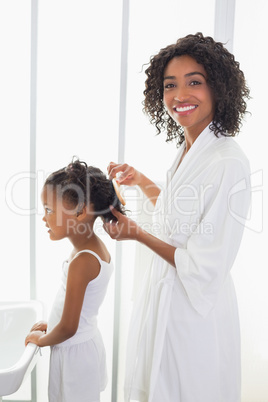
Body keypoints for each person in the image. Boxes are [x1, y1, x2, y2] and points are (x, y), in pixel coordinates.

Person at [104, 33, 251, 402]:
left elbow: (203, 264)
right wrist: (141, 181)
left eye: (194, 82)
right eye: (170, 85)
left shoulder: (227, 162)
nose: (179, 95)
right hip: (165, 303)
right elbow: (174, 214)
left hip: (193, 316)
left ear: (219, 88)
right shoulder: (190, 148)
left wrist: (136, 233)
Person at [25, 159, 125, 402]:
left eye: (49, 210)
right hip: (82, 345)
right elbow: (78, 312)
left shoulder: (83, 261)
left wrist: (42, 340)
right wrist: (52, 323)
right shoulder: (91, 249)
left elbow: (69, 327)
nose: (44, 218)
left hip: (75, 357)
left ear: (80, 212)